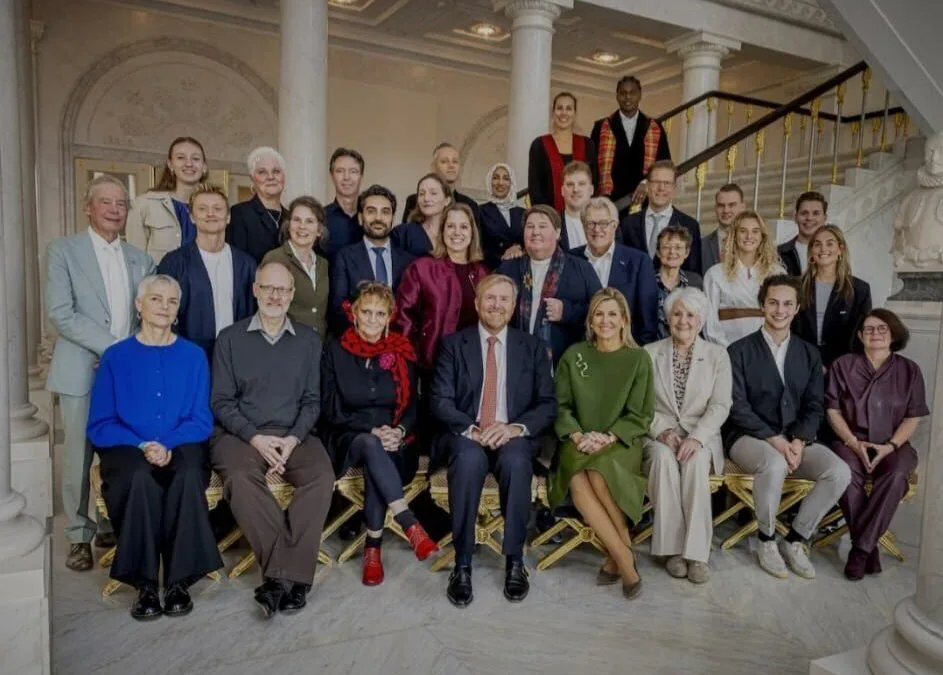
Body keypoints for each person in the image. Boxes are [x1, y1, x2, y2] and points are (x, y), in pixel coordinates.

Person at [87, 274, 222, 621]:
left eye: (172, 301)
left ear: (178, 310)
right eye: (156, 299)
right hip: (126, 444)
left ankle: (179, 582)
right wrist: (142, 443)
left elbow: (200, 419)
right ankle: (146, 584)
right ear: (139, 305)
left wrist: (168, 444)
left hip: (181, 441)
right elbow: (101, 422)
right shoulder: (116, 357)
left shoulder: (193, 356)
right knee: (137, 478)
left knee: (190, 473)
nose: (164, 307)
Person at [210, 261, 335, 618]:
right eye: (268, 288)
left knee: (322, 476)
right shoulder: (230, 339)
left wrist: (294, 438)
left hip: (294, 433)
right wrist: (256, 438)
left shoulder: (309, 341)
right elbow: (220, 401)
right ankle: (292, 577)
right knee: (239, 478)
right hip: (240, 434)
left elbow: (313, 400)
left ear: (292, 294)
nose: (275, 296)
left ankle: (278, 579)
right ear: (255, 290)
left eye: (282, 289)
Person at [46, 174, 156, 572]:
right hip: (81, 368)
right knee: (78, 453)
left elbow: (147, 312)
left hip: (125, 373)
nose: (114, 209)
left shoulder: (141, 259)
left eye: (121, 203)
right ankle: (78, 535)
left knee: (120, 449)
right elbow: (61, 312)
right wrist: (111, 349)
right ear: (88, 207)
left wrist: (126, 355)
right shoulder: (64, 250)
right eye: (105, 202)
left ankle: (110, 521)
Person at [430, 274, 557, 607]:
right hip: (468, 434)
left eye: (504, 299)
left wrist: (514, 427)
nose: (496, 305)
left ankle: (514, 561)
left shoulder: (530, 347)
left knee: (516, 461)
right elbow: (440, 399)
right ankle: (463, 563)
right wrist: (472, 430)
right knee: (469, 460)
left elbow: (547, 404)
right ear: (477, 303)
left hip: (512, 434)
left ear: (514, 307)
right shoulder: (454, 344)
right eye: (490, 298)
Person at [724, 275, 851, 580]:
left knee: (839, 472)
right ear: (762, 306)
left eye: (787, 304)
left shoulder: (808, 353)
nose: (779, 310)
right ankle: (766, 539)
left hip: (796, 439)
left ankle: (795, 539)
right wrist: (777, 441)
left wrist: (799, 440)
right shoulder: (738, 350)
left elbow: (814, 405)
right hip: (748, 437)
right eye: (773, 303)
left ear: (796, 309)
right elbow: (737, 405)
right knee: (774, 462)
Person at [321, 282, 439, 586]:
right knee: (371, 443)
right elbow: (331, 409)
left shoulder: (401, 349)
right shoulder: (335, 350)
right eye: (366, 312)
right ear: (354, 314)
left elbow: (414, 406)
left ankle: (372, 549)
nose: (372, 319)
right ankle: (407, 522)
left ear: (389, 317)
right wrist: (372, 429)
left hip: (396, 441)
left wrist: (399, 431)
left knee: (380, 452)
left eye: (380, 313)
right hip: (348, 437)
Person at [550, 288, 653, 599]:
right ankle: (625, 556)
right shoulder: (574, 355)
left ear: (624, 320)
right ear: (590, 320)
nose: (605, 320)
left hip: (620, 441)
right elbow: (562, 405)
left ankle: (617, 557)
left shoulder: (638, 359)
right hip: (577, 439)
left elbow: (640, 413)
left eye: (612, 314)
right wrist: (579, 435)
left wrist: (608, 437)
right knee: (579, 477)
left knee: (599, 471)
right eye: (599, 314)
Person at [826, 309, 928, 580]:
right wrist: (852, 442)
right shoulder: (843, 365)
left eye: (882, 328)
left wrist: (891, 446)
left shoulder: (910, 370)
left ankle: (859, 550)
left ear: (893, 334)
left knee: (896, 475)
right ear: (859, 336)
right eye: (868, 329)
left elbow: (913, 416)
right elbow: (832, 410)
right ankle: (870, 549)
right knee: (845, 474)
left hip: (893, 445)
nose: (875, 334)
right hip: (850, 442)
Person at [643, 287, 731, 584]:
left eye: (690, 315)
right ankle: (672, 551)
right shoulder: (649, 353)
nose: (683, 320)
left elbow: (721, 405)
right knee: (662, 460)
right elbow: (639, 405)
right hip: (659, 435)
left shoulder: (717, 355)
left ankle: (696, 554)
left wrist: (697, 438)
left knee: (694, 462)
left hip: (701, 434)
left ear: (701, 319)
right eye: (677, 314)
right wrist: (662, 432)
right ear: (668, 318)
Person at [157, 184, 257, 360]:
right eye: (202, 209)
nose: (210, 214)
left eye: (217, 209)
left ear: (228, 217)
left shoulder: (246, 264)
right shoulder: (174, 263)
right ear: (192, 217)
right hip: (188, 358)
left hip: (238, 358)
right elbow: (163, 316)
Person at [497, 205, 601, 366]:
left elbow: (601, 310)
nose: (535, 232)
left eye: (543, 226)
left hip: (566, 364)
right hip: (515, 362)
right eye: (530, 226)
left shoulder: (581, 269)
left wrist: (567, 312)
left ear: (558, 232)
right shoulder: (507, 270)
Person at [395, 203, 490, 375]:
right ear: (442, 231)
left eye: (463, 227)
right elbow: (404, 317)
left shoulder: (482, 274)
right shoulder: (421, 268)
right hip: (432, 366)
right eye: (450, 226)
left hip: (473, 367)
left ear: (472, 232)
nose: (457, 232)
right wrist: (415, 357)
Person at [571, 196, 658, 345]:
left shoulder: (638, 262)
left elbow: (647, 320)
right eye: (590, 223)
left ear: (614, 226)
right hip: (581, 353)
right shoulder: (570, 259)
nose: (597, 229)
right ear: (583, 226)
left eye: (604, 223)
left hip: (626, 351)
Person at [330, 185, 414, 334]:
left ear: (393, 219)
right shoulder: (345, 257)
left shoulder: (408, 261)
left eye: (385, 212)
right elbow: (339, 307)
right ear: (361, 218)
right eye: (371, 211)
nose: (378, 218)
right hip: (357, 343)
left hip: (398, 344)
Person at [792, 225, 872, 368]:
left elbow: (861, 334)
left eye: (829, 243)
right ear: (811, 251)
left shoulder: (859, 289)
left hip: (844, 368)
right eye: (817, 244)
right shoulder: (796, 286)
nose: (823, 249)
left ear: (840, 249)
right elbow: (790, 330)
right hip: (802, 364)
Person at [591, 75, 671, 215]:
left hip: (645, 202)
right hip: (610, 202)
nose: (627, 97)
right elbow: (592, 167)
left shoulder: (654, 127)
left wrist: (646, 182)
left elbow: (664, 164)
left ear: (640, 95)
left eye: (632, 92)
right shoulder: (601, 127)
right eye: (623, 93)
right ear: (617, 96)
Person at [704, 211, 783, 347]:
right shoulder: (715, 273)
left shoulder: (777, 273)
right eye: (743, 231)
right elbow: (709, 321)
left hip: (768, 348)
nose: (749, 236)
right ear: (734, 235)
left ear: (762, 236)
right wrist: (725, 350)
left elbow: (783, 314)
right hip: (726, 349)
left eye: (755, 231)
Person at [127, 136, 208, 263]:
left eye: (195, 158)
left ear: (204, 167)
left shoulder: (215, 208)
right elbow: (134, 260)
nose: (189, 163)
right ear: (170, 165)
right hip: (161, 281)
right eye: (181, 158)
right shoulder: (144, 204)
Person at [261, 196, 330, 336]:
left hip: (319, 347)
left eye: (309, 221)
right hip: (286, 346)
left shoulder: (323, 264)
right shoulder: (275, 258)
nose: (302, 226)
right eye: (297, 220)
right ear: (289, 225)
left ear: (319, 231)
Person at [618, 160, 703, 274]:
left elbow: (693, 273)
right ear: (647, 185)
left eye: (667, 183)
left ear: (674, 187)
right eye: (656, 182)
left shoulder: (689, 225)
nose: (661, 188)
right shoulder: (628, 223)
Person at [528, 92, 598, 211]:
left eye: (569, 108)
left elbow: (595, 182)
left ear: (575, 114)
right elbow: (535, 189)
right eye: (559, 108)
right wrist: (547, 217)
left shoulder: (587, 145)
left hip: (582, 217)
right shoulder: (539, 145)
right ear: (553, 112)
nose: (564, 113)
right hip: (549, 219)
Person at [226, 146, 287, 264]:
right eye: (262, 172)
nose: (270, 177)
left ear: (284, 176)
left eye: (276, 171)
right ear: (252, 178)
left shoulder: (292, 217)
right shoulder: (239, 214)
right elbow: (236, 264)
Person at [402, 142, 481, 225]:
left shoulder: (470, 205)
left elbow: (476, 237)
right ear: (433, 167)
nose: (451, 165)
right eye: (444, 161)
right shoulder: (414, 201)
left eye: (455, 161)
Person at [654, 226, 703, 339]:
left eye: (678, 247)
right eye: (666, 247)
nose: (672, 252)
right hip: (653, 347)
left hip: (687, 347)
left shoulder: (695, 281)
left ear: (686, 252)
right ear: (658, 252)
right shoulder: (646, 280)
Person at [392, 173, 452, 258]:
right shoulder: (403, 233)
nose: (426, 198)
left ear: (447, 200)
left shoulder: (455, 233)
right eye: (421, 194)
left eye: (433, 193)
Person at [479, 162, 525, 269]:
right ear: (489, 181)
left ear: (511, 183)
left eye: (506, 178)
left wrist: (518, 247)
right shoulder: (480, 211)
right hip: (493, 269)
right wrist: (503, 256)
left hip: (520, 269)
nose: (500, 182)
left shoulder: (523, 213)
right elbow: (477, 247)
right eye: (495, 178)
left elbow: (529, 240)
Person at [322, 148, 366, 260]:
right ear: (332, 176)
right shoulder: (320, 218)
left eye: (353, 171)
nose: (346, 177)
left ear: (361, 176)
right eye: (340, 171)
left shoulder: (371, 218)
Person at [779, 191, 828, 277]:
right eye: (804, 213)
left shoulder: (833, 252)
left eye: (816, 213)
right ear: (795, 217)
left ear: (825, 218)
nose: (809, 218)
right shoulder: (779, 253)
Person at [701, 184, 745, 272]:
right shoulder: (701, 246)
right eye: (721, 205)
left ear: (742, 207)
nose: (726, 210)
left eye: (731, 205)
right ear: (715, 208)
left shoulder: (755, 244)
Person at [558, 161, 594, 251]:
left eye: (581, 184)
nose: (575, 189)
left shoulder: (608, 223)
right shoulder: (552, 224)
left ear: (591, 190)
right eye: (570, 184)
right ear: (562, 190)